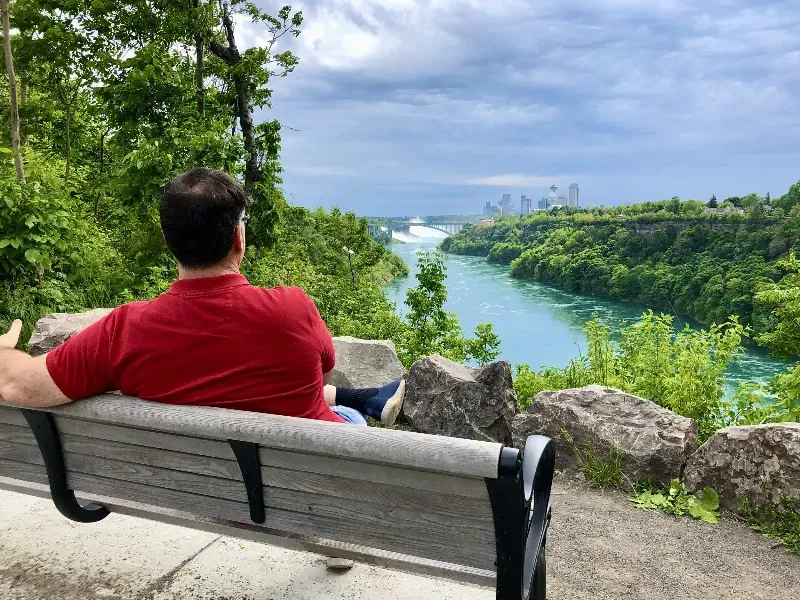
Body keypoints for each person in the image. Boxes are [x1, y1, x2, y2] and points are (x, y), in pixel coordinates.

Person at [0, 168, 405, 427]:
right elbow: (321, 376)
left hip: (204, 496)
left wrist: (5, 354)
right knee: (348, 418)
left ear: (167, 240)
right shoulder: (293, 309)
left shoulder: (122, 332)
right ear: (238, 238)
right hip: (309, 489)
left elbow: (19, 386)